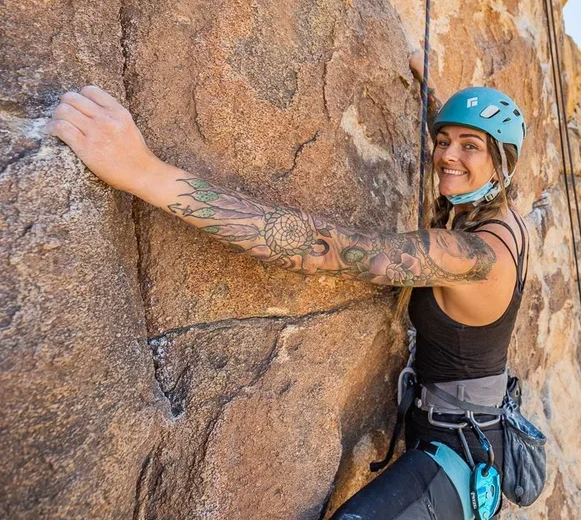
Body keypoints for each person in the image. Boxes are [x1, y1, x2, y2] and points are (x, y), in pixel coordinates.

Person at [43, 60, 529, 520]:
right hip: (467, 428)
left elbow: (323, 247)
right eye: (442, 140)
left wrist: (142, 171)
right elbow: (468, 148)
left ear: (501, 162)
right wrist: (431, 93)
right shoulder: (507, 215)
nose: (446, 155)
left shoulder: (474, 257)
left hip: (461, 456)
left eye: (470, 146)